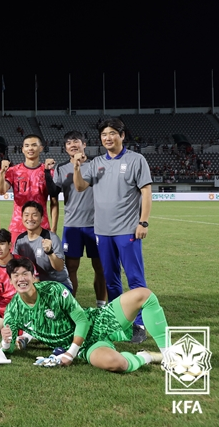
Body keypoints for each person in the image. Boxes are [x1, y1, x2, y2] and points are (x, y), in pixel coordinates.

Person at [0, 258, 168, 373]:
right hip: (85, 346)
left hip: (96, 321)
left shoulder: (53, 289)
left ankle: (169, 355)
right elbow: (10, 348)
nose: (21, 278)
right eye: (15, 275)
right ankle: (145, 356)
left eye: (25, 274)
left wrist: (70, 353)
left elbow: (81, 319)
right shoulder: (13, 311)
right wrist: (5, 341)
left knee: (144, 295)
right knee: (119, 364)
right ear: (10, 280)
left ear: (33, 276)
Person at [72, 117, 153, 343]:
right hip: (102, 231)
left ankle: (139, 323)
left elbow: (146, 192)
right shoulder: (97, 162)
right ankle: (120, 319)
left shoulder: (136, 160)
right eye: (104, 135)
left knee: (135, 278)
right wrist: (77, 167)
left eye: (112, 133)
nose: (108, 138)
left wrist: (143, 222)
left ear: (122, 135)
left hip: (127, 230)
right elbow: (79, 186)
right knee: (111, 278)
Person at [45, 131, 107, 306]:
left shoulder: (98, 163)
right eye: (68, 143)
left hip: (97, 225)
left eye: (76, 141)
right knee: (71, 268)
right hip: (72, 226)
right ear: (65, 148)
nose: (73, 145)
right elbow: (53, 193)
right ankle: (71, 306)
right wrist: (47, 172)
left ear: (84, 145)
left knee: (100, 269)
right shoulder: (61, 168)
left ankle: (101, 307)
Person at [0, 133, 59, 241]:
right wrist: (2, 172)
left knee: (41, 258)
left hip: (41, 225)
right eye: (27, 145)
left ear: (41, 148)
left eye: (34, 145)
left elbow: (54, 201)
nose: (30, 148)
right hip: (18, 226)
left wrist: (53, 228)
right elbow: (1, 191)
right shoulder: (13, 171)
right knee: (17, 258)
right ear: (22, 149)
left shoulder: (49, 172)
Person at [13, 201, 71, 289]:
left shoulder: (51, 238)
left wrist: (50, 252)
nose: (30, 218)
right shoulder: (20, 239)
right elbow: (14, 264)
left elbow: (59, 267)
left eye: (35, 215)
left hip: (57, 285)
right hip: (35, 285)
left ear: (42, 218)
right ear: (22, 217)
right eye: (26, 215)